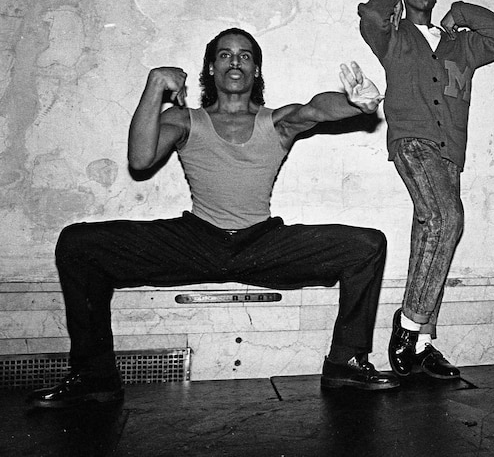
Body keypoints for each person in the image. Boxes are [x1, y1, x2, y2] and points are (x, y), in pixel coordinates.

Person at [29, 28, 398, 409]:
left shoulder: (277, 122)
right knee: (79, 243)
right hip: (196, 239)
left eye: (244, 56)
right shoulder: (185, 119)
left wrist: (356, 104)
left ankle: (346, 363)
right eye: (225, 55)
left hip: (261, 242)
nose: (235, 61)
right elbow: (140, 159)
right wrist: (155, 85)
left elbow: (316, 109)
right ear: (211, 68)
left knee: (366, 245)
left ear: (256, 70)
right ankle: (95, 376)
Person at [357, 0, 494, 379]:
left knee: (430, 237)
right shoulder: (394, 36)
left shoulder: (461, 45)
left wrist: (462, 13)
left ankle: (423, 344)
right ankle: (409, 328)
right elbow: (371, 16)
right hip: (413, 139)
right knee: (448, 219)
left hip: (450, 151)